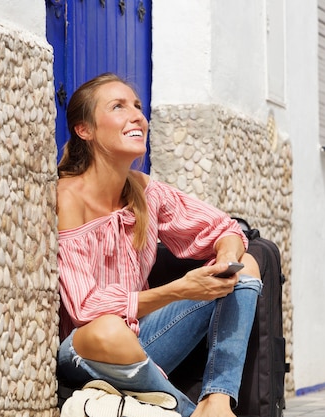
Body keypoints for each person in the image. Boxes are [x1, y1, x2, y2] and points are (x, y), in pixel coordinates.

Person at [55, 72, 262, 417]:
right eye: (118, 107)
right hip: (90, 351)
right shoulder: (68, 198)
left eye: (137, 106)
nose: (137, 115)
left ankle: (218, 400)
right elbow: (84, 308)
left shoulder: (145, 190)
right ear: (84, 130)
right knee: (108, 328)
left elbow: (223, 227)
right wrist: (180, 290)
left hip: (145, 341)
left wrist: (226, 257)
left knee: (247, 267)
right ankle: (189, 410)